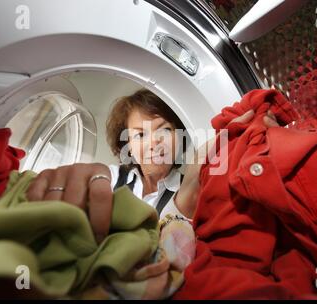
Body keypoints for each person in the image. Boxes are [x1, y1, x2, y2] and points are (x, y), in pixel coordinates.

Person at [26, 89, 279, 242]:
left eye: (164, 130)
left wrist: (232, 132)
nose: (154, 142)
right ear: (128, 146)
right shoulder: (111, 177)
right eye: (140, 135)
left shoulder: (189, 190)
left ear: (178, 138)